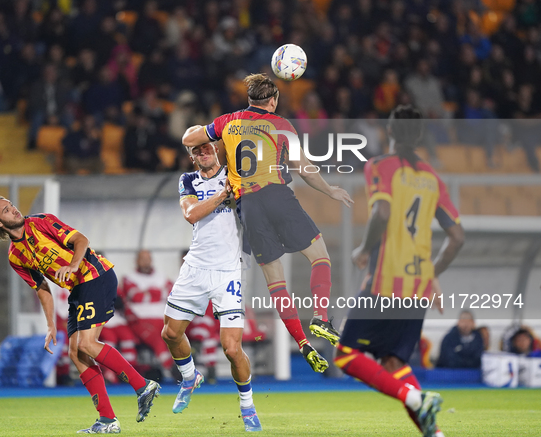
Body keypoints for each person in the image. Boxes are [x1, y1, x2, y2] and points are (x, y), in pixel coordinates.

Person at [181, 73, 353, 373]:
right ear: (272, 101)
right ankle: (321, 318)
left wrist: (206, 129)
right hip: (276, 196)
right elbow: (304, 169)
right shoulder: (282, 125)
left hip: (249, 207)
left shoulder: (227, 122)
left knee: (276, 282)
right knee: (320, 256)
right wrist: (330, 190)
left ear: (249, 99)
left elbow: (189, 139)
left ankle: (302, 343)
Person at [0, 195, 160, 434]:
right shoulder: (15, 256)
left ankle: (142, 385)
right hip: (77, 289)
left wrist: (72, 265)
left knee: (88, 345)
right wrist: (50, 325)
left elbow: (81, 239)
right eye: (6, 211)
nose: (14, 210)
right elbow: (42, 289)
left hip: (95, 275)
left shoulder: (41, 222)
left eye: (11, 205)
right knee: (75, 353)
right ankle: (107, 420)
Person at [334, 105, 465, 437]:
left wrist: (363, 250)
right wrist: (431, 274)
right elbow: (457, 238)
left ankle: (416, 397)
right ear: (419, 137)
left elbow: (381, 213)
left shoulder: (380, 166)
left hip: (384, 281)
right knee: (394, 363)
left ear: (388, 132)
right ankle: (434, 434)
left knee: (345, 355)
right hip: (418, 285)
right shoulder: (433, 178)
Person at [160, 141, 262, 432]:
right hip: (195, 268)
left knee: (231, 349)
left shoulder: (233, 175)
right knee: (170, 333)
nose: (203, 153)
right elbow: (191, 214)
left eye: (207, 148)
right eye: (197, 151)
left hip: (228, 272)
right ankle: (190, 377)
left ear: (216, 151)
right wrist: (222, 196)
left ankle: (248, 408)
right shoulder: (188, 180)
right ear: (192, 158)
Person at [120, 250, 174, 372]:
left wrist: (147, 292)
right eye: (142, 259)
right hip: (141, 320)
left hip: (163, 319)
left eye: (148, 259)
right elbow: (136, 297)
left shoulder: (162, 276)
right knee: (158, 338)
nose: (146, 262)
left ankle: (179, 366)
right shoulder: (129, 278)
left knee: (175, 335)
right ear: (137, 261)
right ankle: (171, 367)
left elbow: (172, 294)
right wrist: (159, 292)